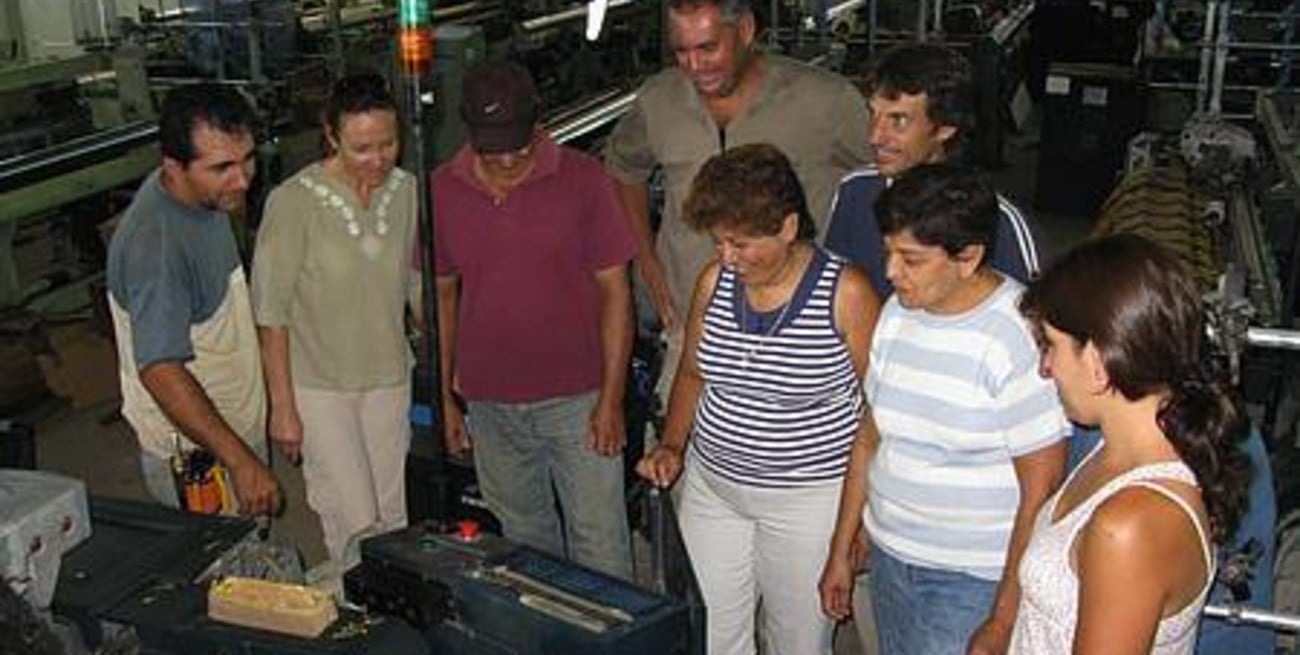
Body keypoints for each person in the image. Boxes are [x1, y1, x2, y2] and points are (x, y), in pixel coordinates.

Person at [638, 143, 879, 655]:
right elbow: (693, 373)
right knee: (715, 638)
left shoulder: (847, 294)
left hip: (807, 500)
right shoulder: (714, 282)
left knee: (796, 640)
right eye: (719, 242)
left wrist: (856, 521)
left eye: (741, 244)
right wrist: (673, 445)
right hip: (714, 491)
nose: (727, 257)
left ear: (788, 227)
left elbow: (879, 416)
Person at [819, 163, 1069, 655]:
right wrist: (842, 544)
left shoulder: (1014, 337)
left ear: (968, 256)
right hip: (891, 559)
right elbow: (870, 437)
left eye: (910, 259)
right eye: (888, 252)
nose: (890, 272)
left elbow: (1041, 488)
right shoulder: (895, 313)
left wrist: (1003, 616)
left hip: (970, 580)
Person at [433, 61, 636, 579]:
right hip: (491, 405)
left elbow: (616, 291)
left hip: (578, 401)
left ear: (536, 126)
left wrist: (611, 400)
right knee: (524, 544)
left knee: (600, 544)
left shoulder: (585, 179)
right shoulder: (440, 190)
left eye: (517, 150)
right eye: (492, 151)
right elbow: (442, 295)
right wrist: (446, 399)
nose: (506, 163)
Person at [604, 0, 869, 391]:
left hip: (803, 337)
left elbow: (885, 177)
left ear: (745, 30)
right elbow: (625, 169)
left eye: (708, 48)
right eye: (681, 51)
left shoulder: (825, 101)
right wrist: (648, 264)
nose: (694, 67)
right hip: (692, 328)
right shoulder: (659, 100)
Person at [1010, 234, 1254, 655]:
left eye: (1051, 345)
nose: (1045, 368)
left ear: (1097, 361)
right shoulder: (1110, 455)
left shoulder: (1130, 522)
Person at [251, 73, 418, 564]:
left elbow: (413, 283)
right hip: (320, 388)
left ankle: (390, 619)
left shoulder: (406, 191)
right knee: (354, 516)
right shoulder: (293, 202)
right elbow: (271, 313)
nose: (378, 159)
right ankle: (354, 614)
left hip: (389, 376)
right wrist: (283, 407)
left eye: (388, 143)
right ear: (331, 136)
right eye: (361, 147)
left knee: (392, 514)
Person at [107, 83, 279, 516]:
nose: (242, 180)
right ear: (174, 166)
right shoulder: (158, 247)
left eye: (248, 159)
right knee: (225, 579)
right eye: (222, 167)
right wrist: (239, 460)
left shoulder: (205, 199)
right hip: (204, 457)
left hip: (231, 434)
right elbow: (160, 369)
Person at [824, 43, 1040, 297]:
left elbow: (1031, 323)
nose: (874, 136)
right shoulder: (856, 192)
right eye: (873, 114)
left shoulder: (997, 221)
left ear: (945, 128)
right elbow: (833, 291)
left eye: (899, 120)